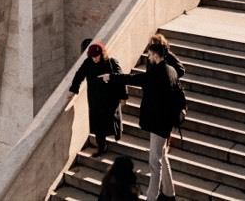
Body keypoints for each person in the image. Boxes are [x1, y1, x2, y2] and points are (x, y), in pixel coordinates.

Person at [101, 42, 179, 201]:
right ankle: (169, 191)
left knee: (154, 162)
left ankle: (152, 197)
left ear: (156, 56)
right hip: (165, 122)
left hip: (159, 123)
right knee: (162, 156)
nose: (148, 58)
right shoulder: (171, 70)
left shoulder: (157, 73)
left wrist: (111, 77)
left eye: (150, 55)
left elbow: (134, 78)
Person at [67, 42, 127, 156]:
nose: (94, 58)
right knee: (98, 123)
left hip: (110, 98)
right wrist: (73, 89)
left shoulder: (111, 62)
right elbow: (79, 75)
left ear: (102, 54)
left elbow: (121, 79)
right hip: (95, 99)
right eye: (92, 56)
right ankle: (101, 146)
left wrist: (123, 96)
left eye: (96, 56)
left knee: (113, 118)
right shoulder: (88, 63)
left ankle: (117, 133)